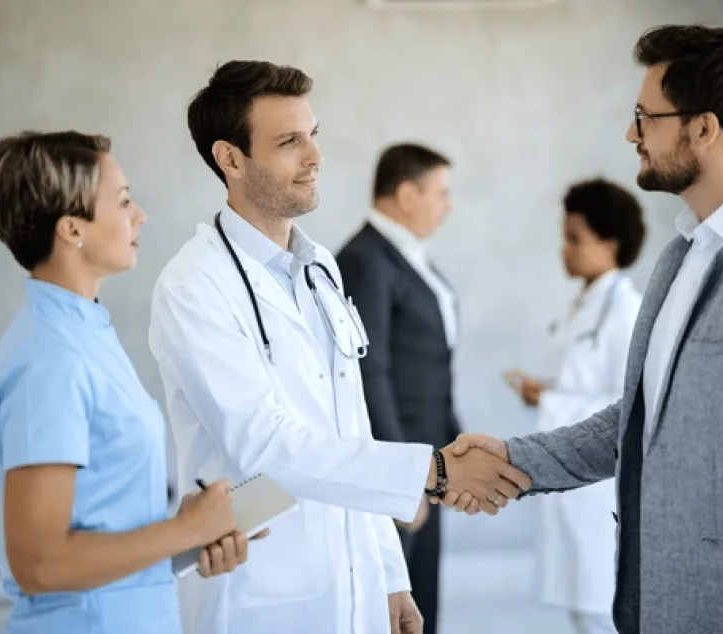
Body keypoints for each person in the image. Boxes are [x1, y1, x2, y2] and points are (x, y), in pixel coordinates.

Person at [440, 24, 723, 634]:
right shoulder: (682, 255)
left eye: (645, 117)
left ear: (703, 128)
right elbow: (639, 420)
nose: (630, 133)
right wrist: (514, 458)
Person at [147, 60, 531, 634]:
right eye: (289, 141)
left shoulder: (321, 267)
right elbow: (265, 446)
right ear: (230, 158)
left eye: (314, 134)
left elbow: (351, 427)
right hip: (261, 589)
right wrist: (432, 469)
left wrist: (389, 574)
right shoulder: (194, 285)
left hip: (353, 583)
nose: (315, 156)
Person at [0, 131, 254, 634]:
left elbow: (100, 534)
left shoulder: (86, 333)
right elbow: (39, 565)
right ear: (71, 229)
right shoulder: (50, 358)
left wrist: (188, 541)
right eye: (123, 201)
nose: (139, 215)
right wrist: (184, 528)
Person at [503, 178, 645, 634]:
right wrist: (547, 393)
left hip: (600, 487)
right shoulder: (582, 305)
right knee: (584, 611)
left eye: (575, 239)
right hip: (574, 484)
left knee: (601, 611)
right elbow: (584, 385)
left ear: (611, 244)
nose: (564, 250)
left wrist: (551, 400)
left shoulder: (625, 312)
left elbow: (634, 406)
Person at [336, 143, 461, 634]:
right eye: (441, 193)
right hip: (399, 464)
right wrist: (399, 477)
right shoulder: (366, 260)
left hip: (427, 461)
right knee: (396, 607)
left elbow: (430, 363)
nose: (448, 206)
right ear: (407, 193)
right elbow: (370, 372)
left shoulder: (409, 255)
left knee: (423, 597)